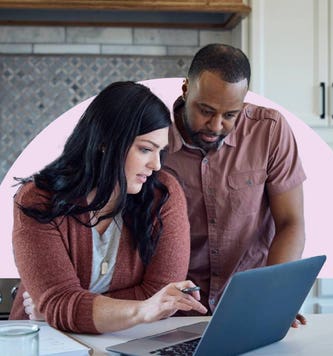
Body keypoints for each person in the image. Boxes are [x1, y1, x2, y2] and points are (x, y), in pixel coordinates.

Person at [9, 81, 207, 334]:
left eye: (161, 151)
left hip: (129, 340)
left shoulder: (164, 195)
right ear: (105, 141)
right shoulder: (37, 199)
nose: (156, 165)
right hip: (46, 341)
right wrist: (62, 307)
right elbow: (60, 303)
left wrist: (67, 308)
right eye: (146, 149)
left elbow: (162, 297)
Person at [163, 44, 307, 326]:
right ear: (185, 89)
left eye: (230, 115)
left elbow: (291, 222)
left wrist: (275, 296)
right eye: (205, 110)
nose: (216, 125)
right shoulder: (154, 138)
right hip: (174, 311)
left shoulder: (270, 130)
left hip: (249, 306)